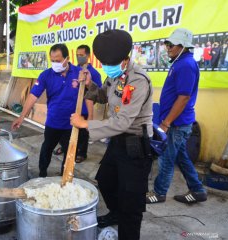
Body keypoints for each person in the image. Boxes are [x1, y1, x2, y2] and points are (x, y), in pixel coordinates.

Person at [71, 30, 153, 240]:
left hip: (135, 145)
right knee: (105, 181)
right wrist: (89, 84)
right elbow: (103, 95)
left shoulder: (139, 81)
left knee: (131, 203)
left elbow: (123, 122)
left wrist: (86, 124)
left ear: (125, 59)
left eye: (111, 63)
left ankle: (127, 230)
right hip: (117, 142)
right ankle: (116, 213)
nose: (107, 66)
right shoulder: (116, 75)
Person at [146, 28, 207, 205]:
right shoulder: (180, 62)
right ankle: (197, 190)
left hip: (177, 124)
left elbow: (184, 97)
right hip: (177, 122)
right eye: (167, 44)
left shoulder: (186, 65)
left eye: (171, 45)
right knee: (181, 157)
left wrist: (167, 122)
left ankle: (159, 193)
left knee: (166, 158)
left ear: (183, 46)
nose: (168, 47)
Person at [12, 43, 81, 177]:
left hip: (72, 124)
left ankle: (65, 178)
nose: (55, 63)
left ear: (67, 58)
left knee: (70, 153)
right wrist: (21, 117)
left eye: (58, 60)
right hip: (53, 122)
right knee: (46, 149)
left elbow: (90, 93)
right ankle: (42, 173)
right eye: (52, 60)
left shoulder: (79, 73)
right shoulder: (46, 75)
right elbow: (33, 96)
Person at [75, 45, 102, 162]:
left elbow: (99, 92)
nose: (79, 57)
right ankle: (68, 148)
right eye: (77, 55)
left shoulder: (94, 73)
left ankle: (81, 153)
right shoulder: (73, 70)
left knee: (82, 134)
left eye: (81, 55)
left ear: (88, 56)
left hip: (85, 108)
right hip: (72, 106)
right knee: (68, 130)